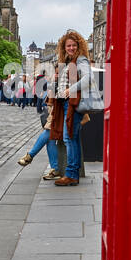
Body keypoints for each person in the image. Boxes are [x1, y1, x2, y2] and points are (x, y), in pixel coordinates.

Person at [48, 30, 93, 185]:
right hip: (66, 104)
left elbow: (88, 79)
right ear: (64, 47)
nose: (71, 48)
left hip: (73, 104)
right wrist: (56, 79)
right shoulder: (68, 61)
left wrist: (69, 90)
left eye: (74, 45)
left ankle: (71, 175)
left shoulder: (81, 60)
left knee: (70, 138)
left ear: (79, 46)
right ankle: (72, 173)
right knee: (70, 138)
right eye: (68, 45)